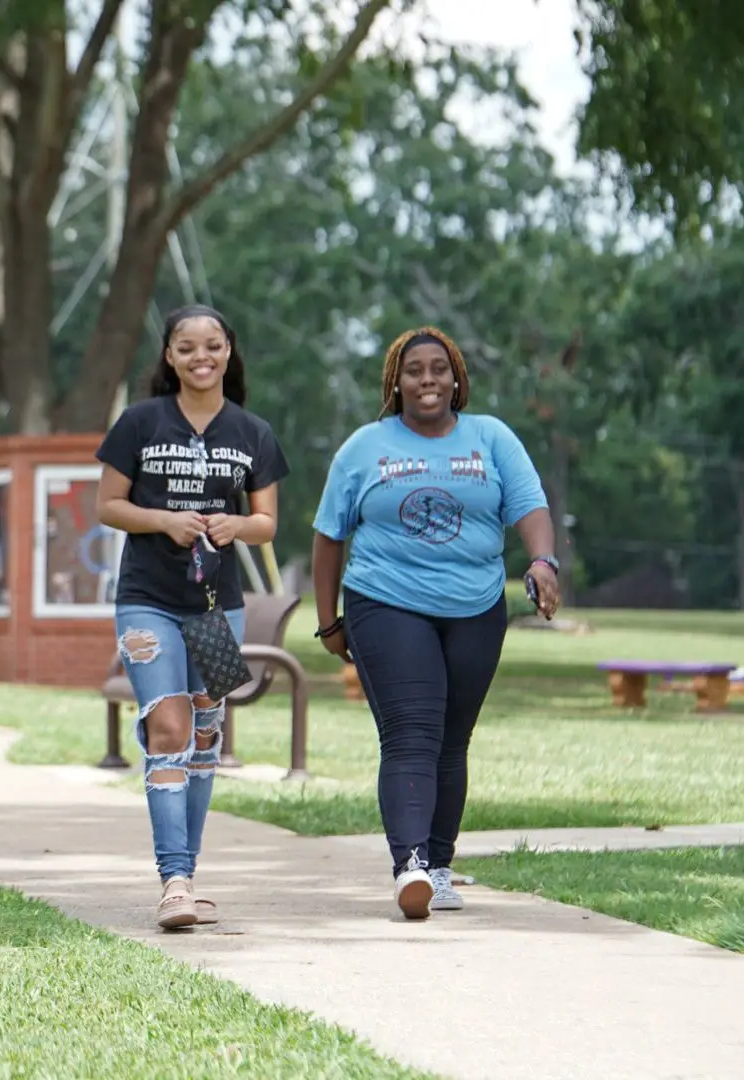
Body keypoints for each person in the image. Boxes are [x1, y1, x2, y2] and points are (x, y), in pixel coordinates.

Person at [310, 327, 560, 921]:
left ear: (457, 379)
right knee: (412, 731)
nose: (428, 379)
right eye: (415, 370)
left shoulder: (491, 438)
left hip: (476, 606)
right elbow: (327, 538)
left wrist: (543, 561)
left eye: (439, 369)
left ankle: (439, 868)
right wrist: (329, 624)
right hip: (386, 601)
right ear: (396, 381)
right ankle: (410, 864)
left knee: (452, 739)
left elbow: (530, 506)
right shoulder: (365, 447)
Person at [95, 303, 290, 931]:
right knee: (171, 729)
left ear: (229, 351)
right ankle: (173, 880)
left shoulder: (252, 432)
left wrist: (235, 524)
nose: (200, 357)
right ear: (169, 355)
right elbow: (108, 505)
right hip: (148, 599)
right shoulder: (139, 422)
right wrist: (164, 521)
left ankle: (189, 872)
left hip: (216, 607)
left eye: (212, 346)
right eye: (186, 347)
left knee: (207, 735)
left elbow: (267, 523)